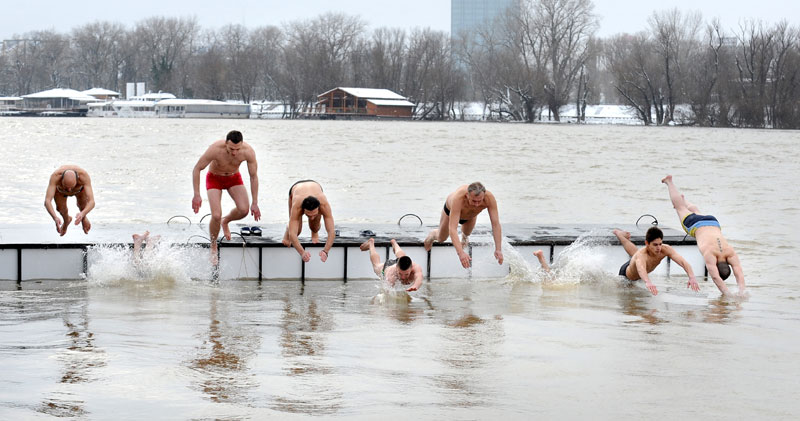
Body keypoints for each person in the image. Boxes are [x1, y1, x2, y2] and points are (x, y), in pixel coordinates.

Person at [662, 175, 746, 296]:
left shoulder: (730, 252)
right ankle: (669, 182)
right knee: (679, 208)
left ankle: (683, 199)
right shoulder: (710, 255)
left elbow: (739, 274)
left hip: (713, 221)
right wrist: (729, 294)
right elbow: (716, 278)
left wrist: (742, 290)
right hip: (696, 225)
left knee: (695, 210)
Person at [191, 130, 261, 264]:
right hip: (214, 179)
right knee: (216, 215)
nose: (234, 152)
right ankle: (213, 245)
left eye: (237, 149)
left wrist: (255, 202)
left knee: (244, 210)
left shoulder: (248, 151)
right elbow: (197, 168)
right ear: (226, 143)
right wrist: (196, 194)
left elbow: (253, 177)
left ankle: (226, 221)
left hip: (233, 178)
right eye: (231, 149)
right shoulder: (216, 149)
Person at [424, 182, 503, 268]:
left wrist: (498, 249)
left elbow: (495, 224)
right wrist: (461, 253)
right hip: (450, 212)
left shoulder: (489, 198)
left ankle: (464, 237)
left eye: (479, 201)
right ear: (467, 195)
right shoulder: (458, 198)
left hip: (471, 216)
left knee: (466, 233)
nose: (477, 204)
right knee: (441, 238)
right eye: (474, 201)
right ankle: (432, 235)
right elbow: (452, 229)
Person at [613, 227, 699, 296]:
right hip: (627, 276)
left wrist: (691, 276)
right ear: (647, 243)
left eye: (660, 244)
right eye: (655, 245)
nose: (658, 248)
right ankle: (619, 234)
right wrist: (648, 282)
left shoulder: (665, 249)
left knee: (635, 254)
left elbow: (683, 262)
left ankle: (620, 234)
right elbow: (641, 269)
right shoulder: (641, 255)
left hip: (639, 268)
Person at [282, 180, 335, 262]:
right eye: (308, 215)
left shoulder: (323, 205)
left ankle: (314, 233)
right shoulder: (297, 206)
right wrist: (302, 253)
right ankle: (287, 230)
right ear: (303, 210)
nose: (312, 218)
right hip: (296, 189)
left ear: (319, 208)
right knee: (297, 231)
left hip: (315, 185)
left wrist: (326, 251)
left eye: (314, 214)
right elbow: (293, 235)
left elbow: (331, 231)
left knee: (315, 227)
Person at [44, 165, 96, 236]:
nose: (69, 190)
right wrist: (55, 217)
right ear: (61, 178)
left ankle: (83, 219)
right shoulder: (55, 176)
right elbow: (47, 201)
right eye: (66, 187)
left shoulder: (83, 176)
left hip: (79, 190)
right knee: (60, 209)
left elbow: (92, 202)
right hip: (60, 191)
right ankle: (66, 220)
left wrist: (83, 214)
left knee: (83, 205)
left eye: (71, 187)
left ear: (77, 179)